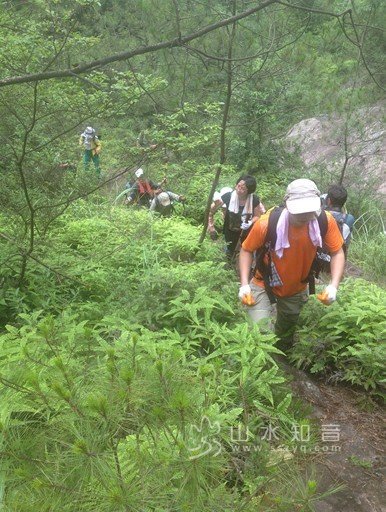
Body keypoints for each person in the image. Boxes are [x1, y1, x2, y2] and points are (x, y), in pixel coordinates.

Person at [238, 178, 345, 348]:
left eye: (310, 211)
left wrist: (334, 285)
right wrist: (244, 284)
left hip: (296, 287)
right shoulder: (266, 224)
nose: (305, 216)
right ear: (287, 205)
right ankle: (261, 365)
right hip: (263, 283)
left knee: (285, 334)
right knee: (259, 335)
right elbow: (246, 250)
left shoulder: (325, 221)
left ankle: (281, 362)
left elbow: (337, 252)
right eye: (300, 211)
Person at [208, 175, 263, 258]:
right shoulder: (229, 196)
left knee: (245, 251)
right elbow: (212, 210)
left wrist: (250, 222)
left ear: (249, 191)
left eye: (243, 188)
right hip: (230, 230)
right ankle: (229, 262)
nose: (238, 189)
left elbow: (257, 216)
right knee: (229, 249)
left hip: (246, 232)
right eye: (238, 186)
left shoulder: (254, 200)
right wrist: (215, 205)